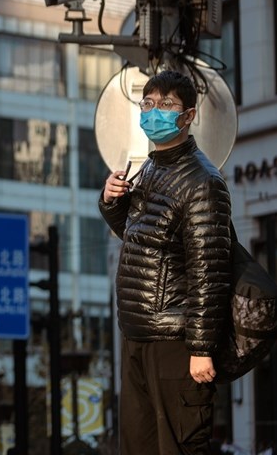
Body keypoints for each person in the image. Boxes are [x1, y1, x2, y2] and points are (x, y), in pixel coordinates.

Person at [99, 70, 232, 454]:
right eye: (148, 104)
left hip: (176, 340)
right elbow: (142, 240)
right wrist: (111, 201)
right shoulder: (152, 166)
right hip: (138, 334)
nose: (153, 113)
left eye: (166, 105)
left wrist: (201, 347)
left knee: (179, 446)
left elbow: (211, 270)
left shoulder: (203, 181)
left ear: (188, 116)